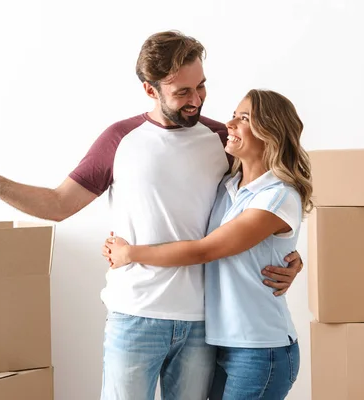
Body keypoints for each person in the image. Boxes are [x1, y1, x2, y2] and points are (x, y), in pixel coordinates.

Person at [0, 31, 304, 400]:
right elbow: (58, 205)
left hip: (203, 324)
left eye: (201, 87)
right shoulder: (119, 140)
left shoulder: (223, 140)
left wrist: (288, 256)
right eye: (182, 92)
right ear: (150, 90)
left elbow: (268, 193)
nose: (197, 101)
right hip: (135, 316)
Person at [104, 89, 311, 399]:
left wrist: (130, 253)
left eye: (244, 119)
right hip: (222, 344)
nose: (230, 124)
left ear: (271, 134)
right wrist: (293, 260)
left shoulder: (277, 196)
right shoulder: (227, 187)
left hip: (260, 350)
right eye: (235, 115)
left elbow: (205, 250)